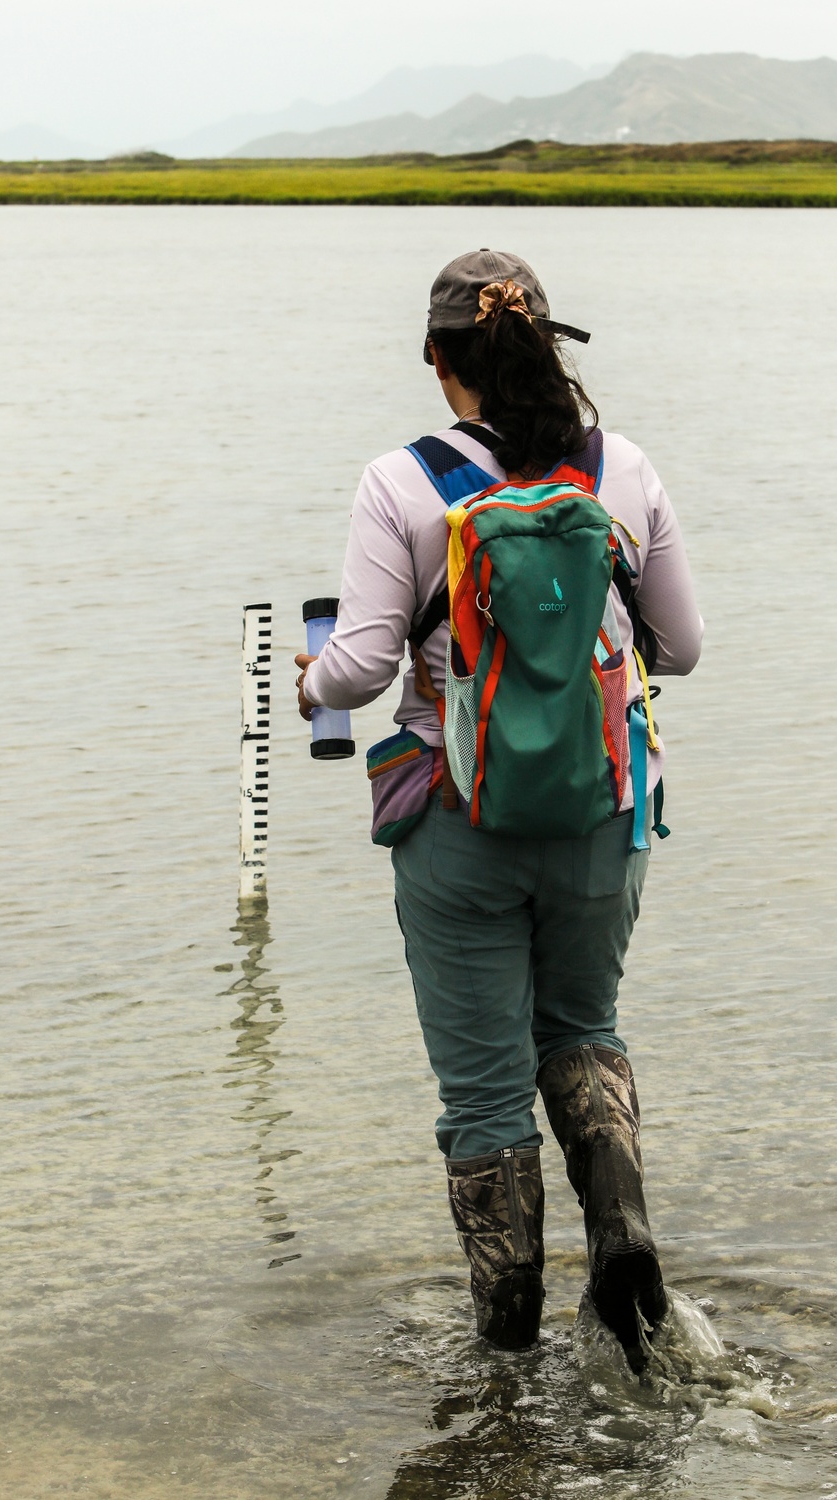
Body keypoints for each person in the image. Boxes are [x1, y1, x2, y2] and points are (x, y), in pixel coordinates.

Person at [294, 249, 702, 1371]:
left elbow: (365, 666)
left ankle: (505, 1351)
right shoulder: (621, 468)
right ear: (544, 341)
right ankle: (623, 1241)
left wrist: (309, 678)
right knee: (581, 1031)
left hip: (458, 825)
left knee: (482, 1089)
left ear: (438, 361)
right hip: (601, 818)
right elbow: (681, 649)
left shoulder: (401, 481)